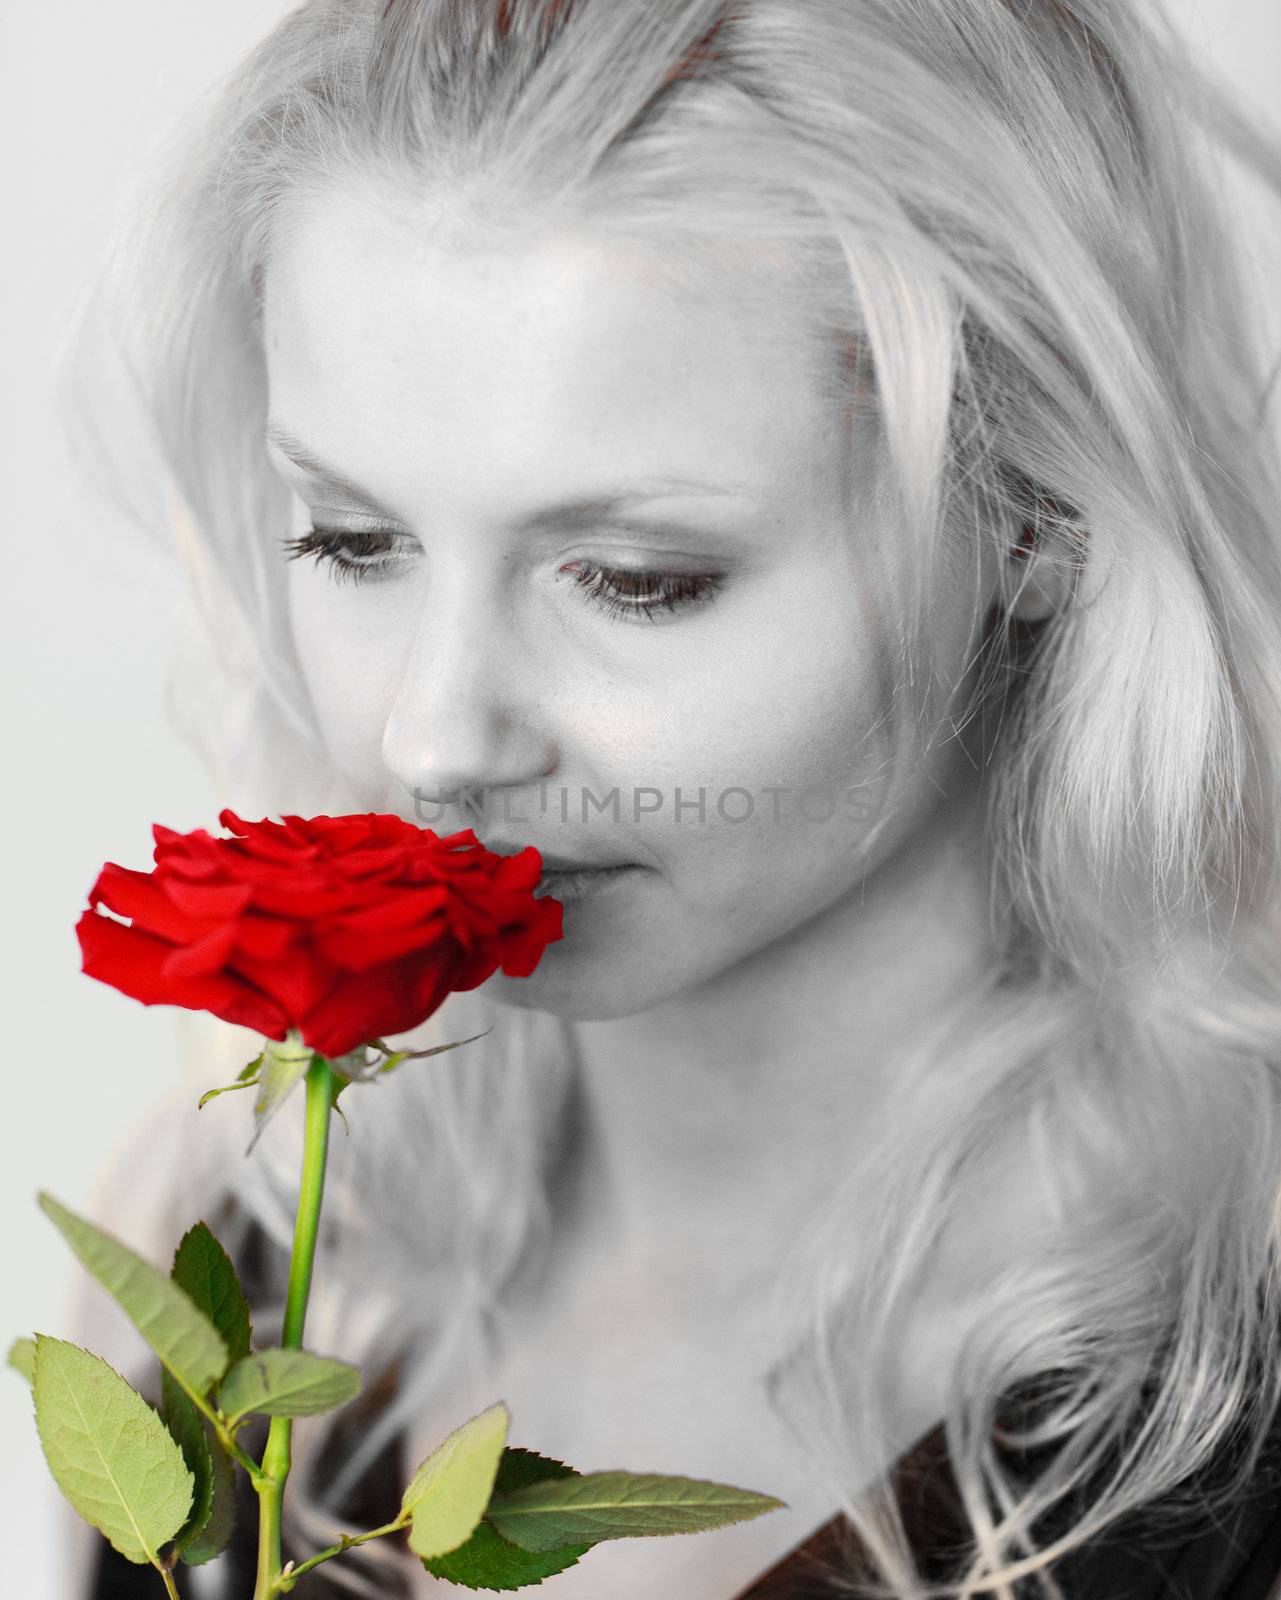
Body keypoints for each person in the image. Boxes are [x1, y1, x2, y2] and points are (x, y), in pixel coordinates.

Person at [67, 1, 1281, 1596]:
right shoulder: (242, 1271)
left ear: (1036, 517)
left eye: (636, 579)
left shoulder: (1225, 1408)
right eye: (353, 542)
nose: (434, 736)